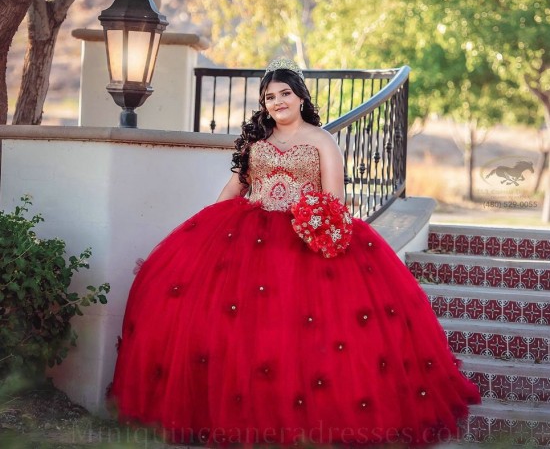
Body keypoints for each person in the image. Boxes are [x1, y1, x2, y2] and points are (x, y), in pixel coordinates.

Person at [109, 58, 480, 446]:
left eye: (284, 93)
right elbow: (234, 191)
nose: (277, 102)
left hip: (305, 237)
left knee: (304, 332)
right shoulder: (257, 141)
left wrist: (315, 221)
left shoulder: (322, 140)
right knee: (236, 328)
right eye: (269, 97)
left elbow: (335, 199)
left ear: (301, 97)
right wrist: (201, 232)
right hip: (249, 234)